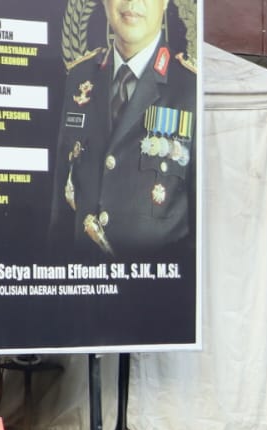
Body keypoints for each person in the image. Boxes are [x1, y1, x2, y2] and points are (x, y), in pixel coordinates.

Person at [52, 0, 197, 257]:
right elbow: (61, 209)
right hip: (84, 287)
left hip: (154, 289)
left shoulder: (190, 89)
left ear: (165, 3)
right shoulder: (80, 79)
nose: (132, 3)